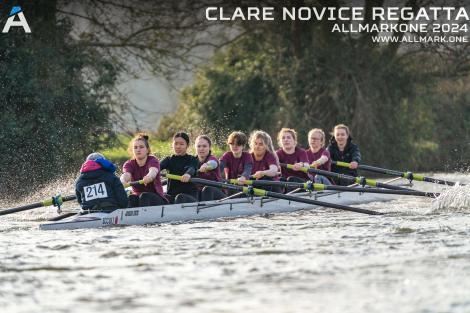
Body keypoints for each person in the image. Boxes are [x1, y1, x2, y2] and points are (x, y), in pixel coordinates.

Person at [121, 133, 168, 207]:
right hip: (138, 197)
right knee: (131, 197)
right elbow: (126, 175)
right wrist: (123, 181)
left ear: (147, 150)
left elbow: (153, 171)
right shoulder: (129, 164)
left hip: (157, 198)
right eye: (135, 147)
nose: (138, 150)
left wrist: (149, 177)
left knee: (144, 196)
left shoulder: (153, 160)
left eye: (141, 147)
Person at [160, 132, 199, 204]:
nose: (178, 146)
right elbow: (157, 167)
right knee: (161, 196)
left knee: (179, 197)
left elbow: (192, 168)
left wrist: (187, 174)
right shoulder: (168, 160)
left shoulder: (192, 159)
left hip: (189, 197)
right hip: (172, 196)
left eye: (181, 144)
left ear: (187, 146)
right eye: (176, 144)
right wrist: (152, 173)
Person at [195, 135, 225, 201]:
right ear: (196, 148)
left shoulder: (213, 159)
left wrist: (206, 166)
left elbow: (213, 164)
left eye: (204, 146)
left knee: (207, 189)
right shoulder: (192, 161)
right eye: (199, 146)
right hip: (200, 195)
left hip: (217, 195)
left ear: (209, 147)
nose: (201, 148)